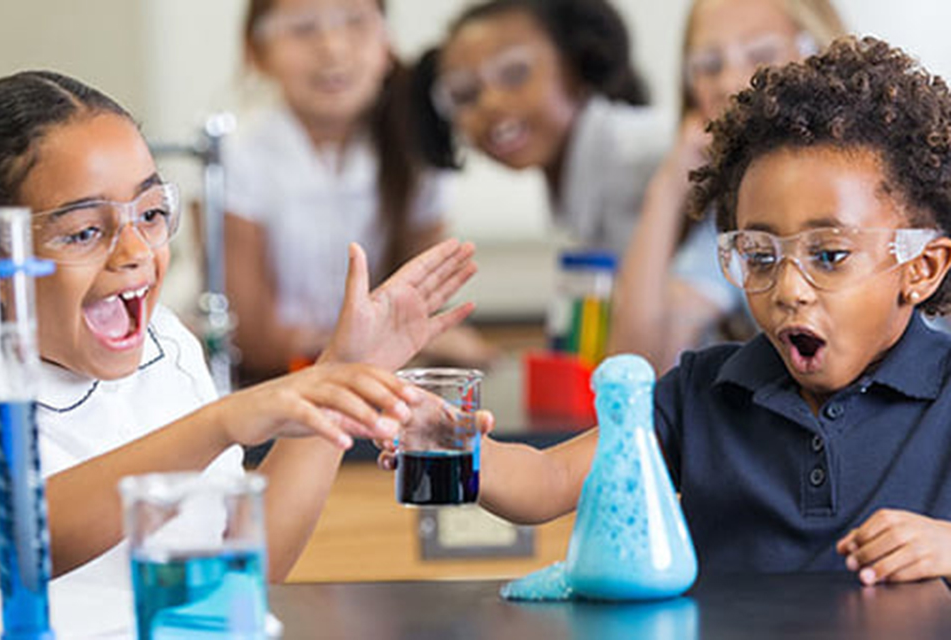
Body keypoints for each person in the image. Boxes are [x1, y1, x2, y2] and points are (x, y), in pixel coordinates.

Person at [385, 36, 951, 585]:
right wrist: (455, 442)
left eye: (829, 255)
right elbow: (548, 478)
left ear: (921, 269)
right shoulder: (702, 393)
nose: (788, 289)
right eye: (758, 256)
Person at [0, 69, 478, 587]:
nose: (136, 253)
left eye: (151, 213)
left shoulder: (167, 345)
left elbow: (244, 570)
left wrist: (341, 377)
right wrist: (223, 421)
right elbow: (24, 540)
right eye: (85, 231)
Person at [226, 0, 494, 378]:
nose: (332, 48)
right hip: (273, 386)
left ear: (387, 44)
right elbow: (255, 340)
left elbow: (427, 308)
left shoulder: (418, 145)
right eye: (303, 28)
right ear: (257, 52)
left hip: (382, 386)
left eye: (355, 23)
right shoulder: (235, 152)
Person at [608, 0, 846, 374]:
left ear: (820, 55)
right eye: (708, 66)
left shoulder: (898, 181)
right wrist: (669, 188)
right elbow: (638, 369)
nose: (729, 83)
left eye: (761, 54)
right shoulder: (742, 219)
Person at [411, 0, 667, 257]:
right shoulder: (572, 180)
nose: (490, 103)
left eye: (514, 74)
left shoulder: (649, 155)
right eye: (464, 94)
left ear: (575, 63)